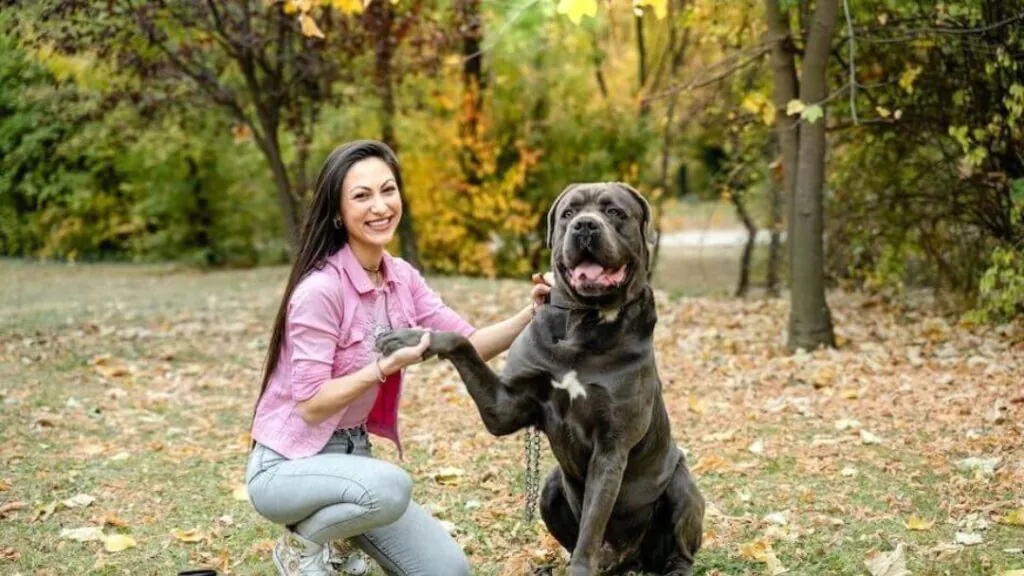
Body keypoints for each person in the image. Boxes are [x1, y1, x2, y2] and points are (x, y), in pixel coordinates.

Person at [245, 140, 551, 576]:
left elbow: (470, 344)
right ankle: (304, 546)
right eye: (362, 196)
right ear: (338, 212)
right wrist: (381, 368)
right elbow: (310, 404)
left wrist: (532, 313)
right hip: (286, 468)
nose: (380, 206)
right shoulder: (321, 290)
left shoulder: (400, 278)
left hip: (354, 460)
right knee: (391, 487)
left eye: (388, 190)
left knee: (449, 572)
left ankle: (335, 538)